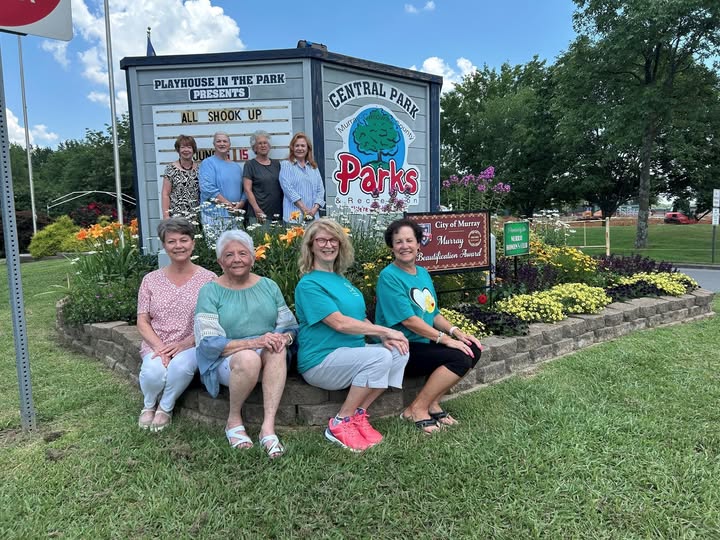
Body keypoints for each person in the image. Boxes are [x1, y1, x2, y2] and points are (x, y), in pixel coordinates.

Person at [294, 218, 409, 452]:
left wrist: (383, 338)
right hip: (321, 360)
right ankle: (339, 422)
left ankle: (358, 415)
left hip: (350, 353)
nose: (328, 245)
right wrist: (384, 329)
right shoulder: (309, 284)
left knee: (397, 351)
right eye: (321, 240)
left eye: (333, 239)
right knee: (380, 357)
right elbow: (339, 323)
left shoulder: (341, 280)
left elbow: (358, 319)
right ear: (311, 246)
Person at [194, 230, 297, 458]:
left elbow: (290, 326)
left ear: (252, 257)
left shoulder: (268, 286)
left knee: (277, 350)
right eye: (229, 255)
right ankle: (233, 420)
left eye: (243, 253)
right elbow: (208, 343)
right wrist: (254, 342)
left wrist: (283, 338)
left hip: (267, 358)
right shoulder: (210, 291)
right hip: (226, 360)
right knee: (249, 357)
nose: (237, 259)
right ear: (220, 261)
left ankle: (267, 428)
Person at [375, 219, 483, 434]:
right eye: (398, 242)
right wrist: (444, 340)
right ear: (392, 247)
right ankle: (416, 408)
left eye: (409, 240)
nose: (404, 246)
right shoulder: (389, 277)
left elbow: (432, 314)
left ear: (418, 245)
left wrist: (456, 332)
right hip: (402, 346)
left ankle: (432, 403)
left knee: (472, 347)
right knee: (459, 357)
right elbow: (409, 320)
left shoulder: (422, 273)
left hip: (423, 342)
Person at [136, 218, 217, 432]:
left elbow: (213, 321)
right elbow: (142, 319)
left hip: (192, 343)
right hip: (157, 343)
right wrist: (159, 347)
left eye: (184, 240)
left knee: (180, 368)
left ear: (193, 243)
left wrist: (184, 344)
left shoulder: (209, 279)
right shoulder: (150, 280)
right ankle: (148, 404)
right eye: (172, 241)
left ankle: (165, 407)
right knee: (153, 372)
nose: (178, 245)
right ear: (164, 245)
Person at [198, 132, 246, 240]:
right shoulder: (208, 163)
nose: (222, 144)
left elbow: (244, 189)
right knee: (216, 250)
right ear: (214, 144)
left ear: (229, 144)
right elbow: (207, 188)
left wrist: (241, 203)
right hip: (214, 216)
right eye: (218, 141)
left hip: (234, 216)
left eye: (225, 141)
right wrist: (227, 204)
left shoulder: (236, 167)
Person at [279, 132, 325, 223]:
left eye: (303, 146)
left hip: (313, 217)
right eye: (297, 146)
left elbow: (321, 190)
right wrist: (304, 209)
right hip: (293, 219)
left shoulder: (313, 167)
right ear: (292, 148)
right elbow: (288, 190)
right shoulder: (286, 165)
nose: (300, 148)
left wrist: (315, 209)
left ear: (308, 148)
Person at [243, 130, 283, 224]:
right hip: (258, 215)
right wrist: (257, 210)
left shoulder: (277, 164)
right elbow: (247, 189)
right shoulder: (250, 165)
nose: (263, 145)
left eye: (265, 143)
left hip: (277, 214)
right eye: (259, 143)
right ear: (255, 148)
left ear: (269, 146)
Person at [161, 135, 200, 219]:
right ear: (178, 150)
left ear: (193, 150)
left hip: (196, 216)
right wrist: (166, 216)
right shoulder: (171, 169)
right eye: (183, 147)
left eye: (189, 147)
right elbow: (165, 194)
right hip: (176, 216)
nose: (186, 150)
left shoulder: (199, 169)